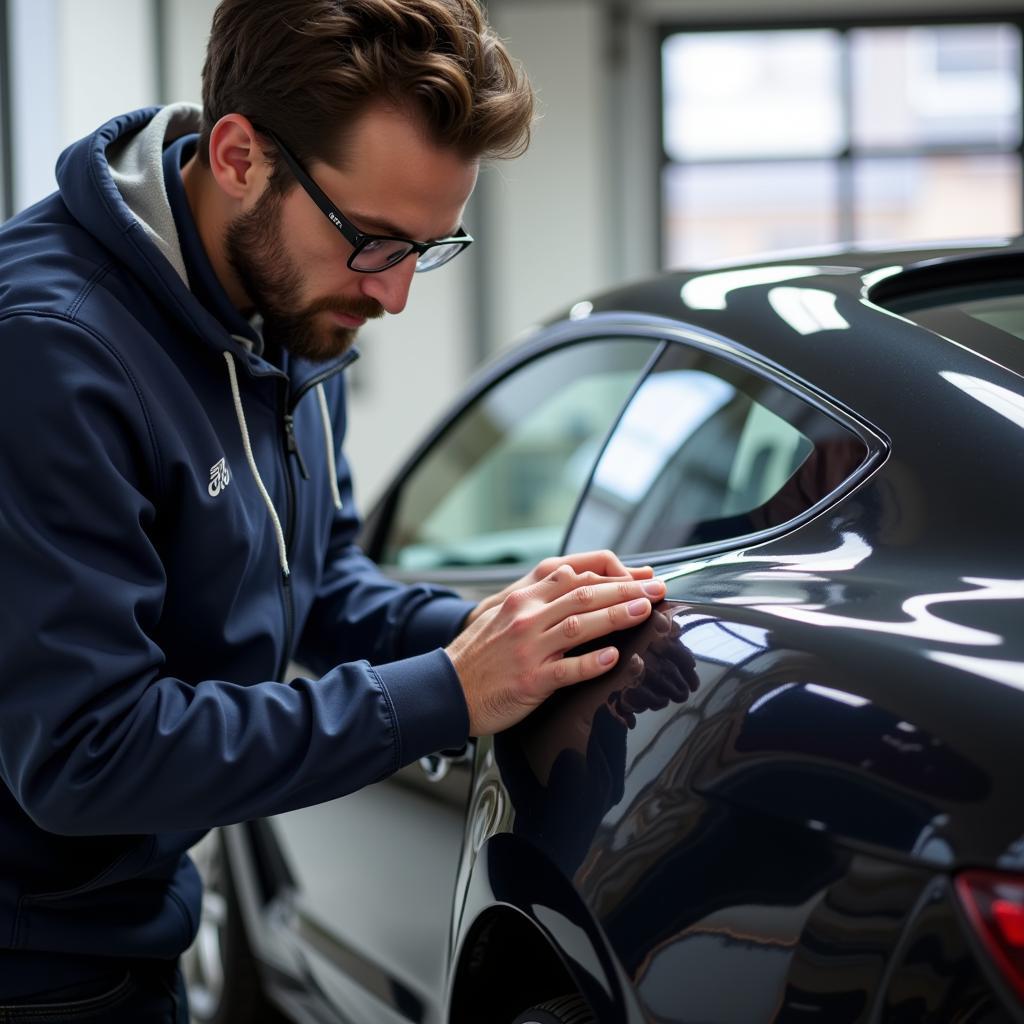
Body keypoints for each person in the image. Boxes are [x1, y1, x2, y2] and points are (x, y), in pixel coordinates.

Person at [0, 0, 666, 1018]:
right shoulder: (50, 353)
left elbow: (317, 579)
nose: (394, 297)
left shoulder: (287, 301)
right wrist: (446, 691)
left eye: (428, 249)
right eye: (375, 242)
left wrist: (512, 639)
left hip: (137, 917)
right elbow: (87, 752)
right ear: (236, 156)